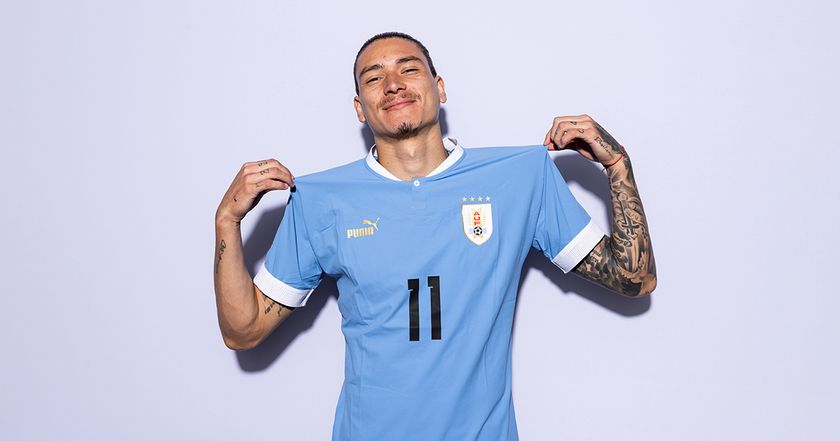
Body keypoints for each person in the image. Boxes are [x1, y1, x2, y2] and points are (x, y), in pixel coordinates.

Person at [213, 31, 656, 441]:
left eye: (408, 69)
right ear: (359, 108)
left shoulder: (521, 177)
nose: (393, 84)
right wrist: (227, 222)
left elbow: (633, 279)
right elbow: (243, 332)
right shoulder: (319, 199)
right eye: (374, 77)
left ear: (439, 88)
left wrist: (617, 165)